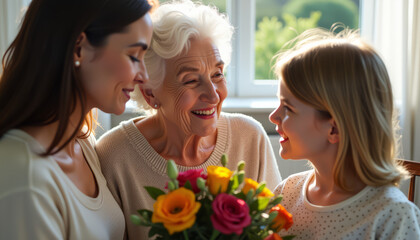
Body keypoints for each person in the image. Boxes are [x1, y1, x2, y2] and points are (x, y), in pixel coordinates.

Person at [95, 0, 282, 238]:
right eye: (191, 80)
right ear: (150, 92)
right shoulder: (114, 156)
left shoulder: (250, 138)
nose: (213, 95)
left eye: (217, 74)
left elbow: (275, 231)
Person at [0, 0, 153, 239]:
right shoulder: (26, 180)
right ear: (79, 48)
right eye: (134, 56)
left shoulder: (82, 142)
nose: (143, 76)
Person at [271, 28, 420, 239]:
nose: (273, 116)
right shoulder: (286, 193)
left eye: (288, 108)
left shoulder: (392, 216)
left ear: (334, 128)